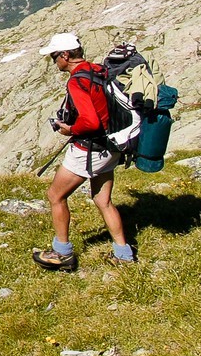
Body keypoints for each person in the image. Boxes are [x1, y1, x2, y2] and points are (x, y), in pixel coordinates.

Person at [32, 32, 136, 271]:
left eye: (54, 57)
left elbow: (89, 121)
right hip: (111, 147)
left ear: (65, 55)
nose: (54, 62)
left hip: (89, 150)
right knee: (103, 200)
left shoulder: (77, 81)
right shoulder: (97, 70)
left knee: (55, 196)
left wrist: (69, 130)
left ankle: (62, 253)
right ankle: (124, 254)